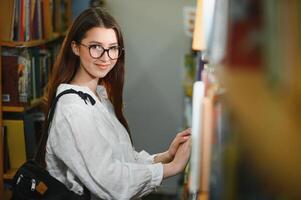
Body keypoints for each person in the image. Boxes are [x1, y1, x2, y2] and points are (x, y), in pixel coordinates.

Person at [41, 7, 191, 200]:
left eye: (112, 48)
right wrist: (172, 168)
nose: (106, 57)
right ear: (75, 47)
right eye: (96, 47)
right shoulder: (73, 110)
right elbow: (110, 182)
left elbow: (122, 160)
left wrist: (166, 156)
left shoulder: (98, 96)